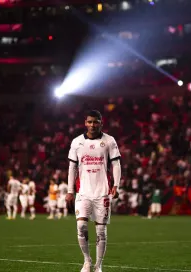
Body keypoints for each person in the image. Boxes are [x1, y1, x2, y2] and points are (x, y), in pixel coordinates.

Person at [66, 110, 121, 272]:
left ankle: (99, 265)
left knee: (101, 230)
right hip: (83, 192)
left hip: (102, 192)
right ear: (85, 123)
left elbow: (116, 164)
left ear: (101, 123)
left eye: (96, 122)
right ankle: (87, 261)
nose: (92, 125)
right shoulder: (77, 142)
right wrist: (70, 190)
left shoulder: (109, 141)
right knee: (81, 226)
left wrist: (116, 185)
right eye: (90, 122)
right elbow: (72, 167)